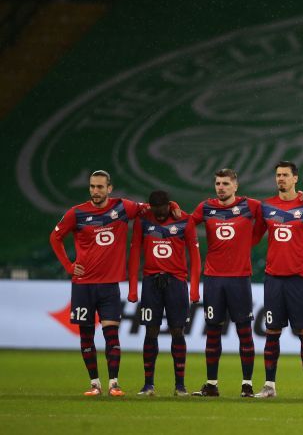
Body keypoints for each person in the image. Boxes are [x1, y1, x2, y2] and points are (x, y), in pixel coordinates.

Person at [50, 170, 167, 396]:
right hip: (83, 284)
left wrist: (169, 205)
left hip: (109, 285)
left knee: (111, 334)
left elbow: (150, 208)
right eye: (92, 187)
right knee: (86, 336)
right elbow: (55, 237)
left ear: (109, 188)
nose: (95, 191)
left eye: (100, 187)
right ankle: (95, 383)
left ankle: (114, 383)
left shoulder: (123, 208)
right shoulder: (77, 213)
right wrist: (68, 265)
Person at [252, 161, 303, 399]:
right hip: (273, 278)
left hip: (298, 279)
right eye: (278, 175)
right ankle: (269, 386)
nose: (280, 179)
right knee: (272, 332)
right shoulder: (266, 207)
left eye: (285, 175)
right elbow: (252, 238)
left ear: (296, 178)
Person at [190, 168, 261, 397]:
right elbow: (186, 225)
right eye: (218, 183)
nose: (221, 187)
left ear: (235, 186)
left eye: (225, 184)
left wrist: (251, 241)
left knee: (244, 332)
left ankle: (247, 385)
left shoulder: (250, 206)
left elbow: (275, 213)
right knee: (212, 331)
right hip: (213, 279)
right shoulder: (206, 207)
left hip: (239, 279)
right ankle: (211, 384)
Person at [127, 190, 201, 397]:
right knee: (151, 331)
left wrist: (194, 288)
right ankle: (148, 384)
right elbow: (134, 254)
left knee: (178, 331)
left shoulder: (184, 220)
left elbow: (195, 257)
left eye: (162, 210)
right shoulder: (142, 221)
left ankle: (180, 386)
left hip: (176, 283)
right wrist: (133, 287)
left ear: (169, 205)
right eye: (155, 211)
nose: (159, 215)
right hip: (151, 283)